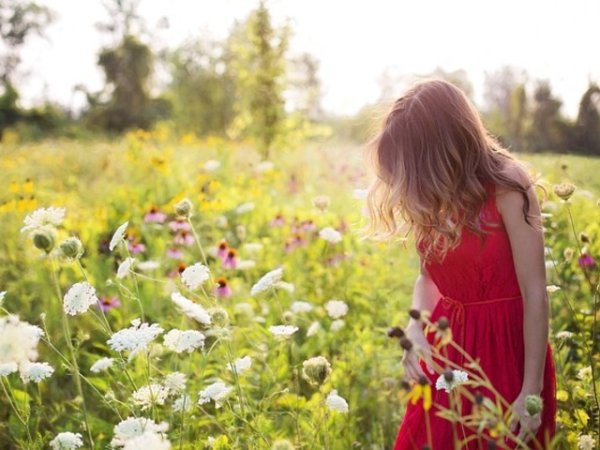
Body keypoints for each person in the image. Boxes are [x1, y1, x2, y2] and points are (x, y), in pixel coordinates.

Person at [361, 79, 557, 449]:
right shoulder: (433, 193)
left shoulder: (508, 186)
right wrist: (415, 328)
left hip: (508, 353)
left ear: (443, 147)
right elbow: (427, 278)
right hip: (448, 349)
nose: (413, 176)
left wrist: (531, 392)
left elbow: (535, 294)